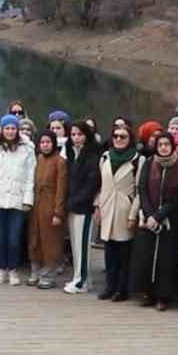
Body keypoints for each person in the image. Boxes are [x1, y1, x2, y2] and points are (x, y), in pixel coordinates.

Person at [131, 131, 178, 310]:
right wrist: (150, 214)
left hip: (169, 220)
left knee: (166, 260)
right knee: (146, 256)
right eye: (160, 145)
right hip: (148, 219)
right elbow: (142, 189)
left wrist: (159, 216)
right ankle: (148, 292)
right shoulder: (150, 163)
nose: (163, 148)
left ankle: (163, 296)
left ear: (172, 146)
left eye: (167, 144)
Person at [0, 114, 36, 285]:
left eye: (13, 128)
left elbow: (30, 177)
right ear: (1, 130)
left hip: (17, 199)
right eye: (7, 128)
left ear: (17, 130)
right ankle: (2, 269)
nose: (10, 131)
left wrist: (28, 199)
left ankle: (13, 269)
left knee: (14, 238)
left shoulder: (27, 149)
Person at [95, 124, 140, 302]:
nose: (119, 139)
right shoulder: (105, 157)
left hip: (124, 209)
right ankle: (110, 286)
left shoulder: (137, 159)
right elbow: (100, 185)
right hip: (107, 207)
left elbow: (139, 191)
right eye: (115, 136)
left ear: (130, 139)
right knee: (109, 251)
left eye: (123, 136)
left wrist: (133, 215)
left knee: (124, 252)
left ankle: (122, 289)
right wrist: (98, 207)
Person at [62, 121, 102, 294]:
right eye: (73, 134)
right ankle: (81, 278)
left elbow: (91, 184)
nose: (76, 138)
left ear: (87, 135)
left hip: (84, 208)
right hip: (72, 206)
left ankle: (81, 281)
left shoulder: (92, 155)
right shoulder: (72, 153)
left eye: (80, 134)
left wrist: (76, 201)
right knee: (75, 245)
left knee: (83, 245)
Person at [28, 131, 69, 289]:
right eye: (42, 142)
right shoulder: (38, 159)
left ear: (54, 143)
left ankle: (48, 275)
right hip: (36, 205)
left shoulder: (60, 161)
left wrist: (58, 212)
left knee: (50, 241)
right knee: (35, 239)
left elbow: (61, 189)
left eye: (48, 142)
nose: (45, 145)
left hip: (50, 206)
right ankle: (36, 272)